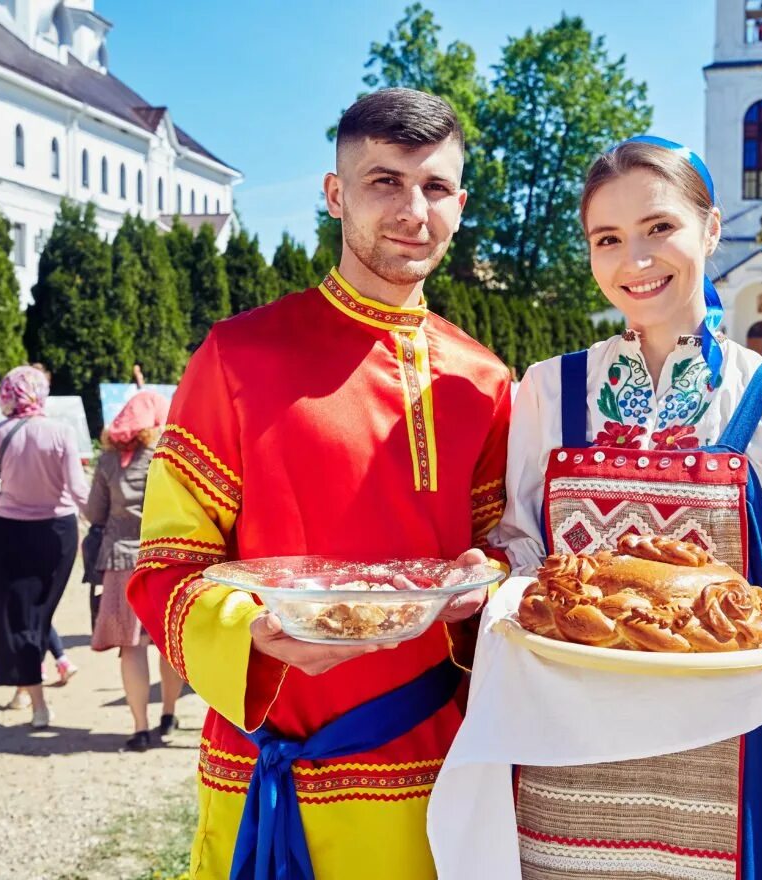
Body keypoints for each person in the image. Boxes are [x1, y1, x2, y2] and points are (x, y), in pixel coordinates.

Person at [126, 87, 512, 878]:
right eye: (384, 182)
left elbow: (500, 548)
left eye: (435, 187)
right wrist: (251, 638)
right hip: (270, 772)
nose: (413, 209)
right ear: (335, 195)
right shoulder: (238, 358)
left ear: (460, 204)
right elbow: (164, 566)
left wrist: (491, 579)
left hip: (433, 779)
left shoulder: (485, 381)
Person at [482, 138, 762, 878]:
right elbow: (518, 554)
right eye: (608, 239)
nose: (634, 258)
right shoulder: (545, 393)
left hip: (720, 780)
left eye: (659, 227)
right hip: (558, 771)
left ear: (710, 229)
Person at [0, 365, 90, 729]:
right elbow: (78, 490)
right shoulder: (61, 432)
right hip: (57, 535)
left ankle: (34, 699)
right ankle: (29, 693)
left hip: (9, 532)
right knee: (40, 616)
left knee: (18, 617)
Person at [85, 389, 184, 753]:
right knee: (168, 645)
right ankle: (169, 715)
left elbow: (94, 514)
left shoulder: (108, 460)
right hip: (164, 562)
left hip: (118, 563)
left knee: (131, 648)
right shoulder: (166, 456)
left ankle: (140, 727)